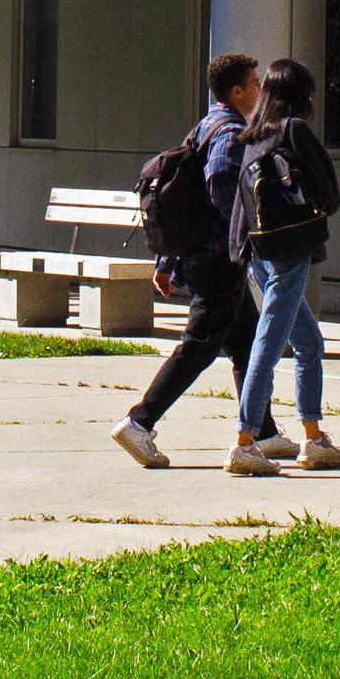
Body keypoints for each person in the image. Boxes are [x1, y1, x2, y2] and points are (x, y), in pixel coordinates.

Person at [109, 53, 287, 469]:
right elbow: (219, 192)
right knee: (199, 347)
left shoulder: (206, 125)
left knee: (245, 341)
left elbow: (185, 198)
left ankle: (263, 430)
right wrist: (246, 234)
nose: (261, 91)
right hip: (217, 260)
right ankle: (140, 422)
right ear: (237, 91)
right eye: (256, 84)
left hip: (206, 257)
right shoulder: (229, 134)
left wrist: (170, 262)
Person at [227, 56, 340, 475]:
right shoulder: (294, 130)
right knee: (269, 343)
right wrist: (320, 210)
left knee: (309, 343)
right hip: (290, 251)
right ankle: (245, 440)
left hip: (257, 253)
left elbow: (242, 202)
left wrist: (239, 252)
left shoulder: (253, 136)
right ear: (300, 95)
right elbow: (328, 188)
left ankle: (313, 439)